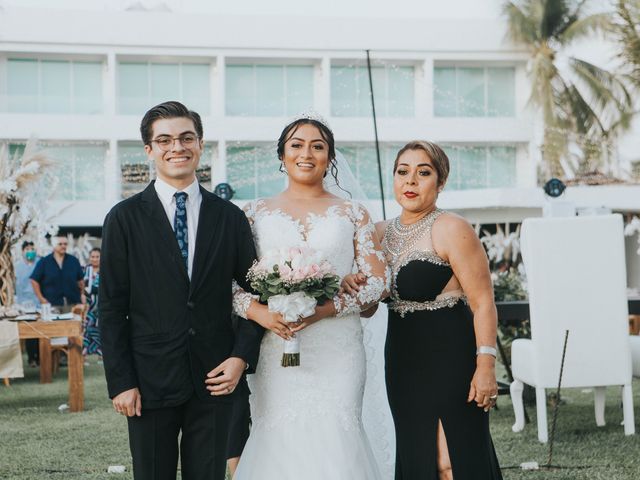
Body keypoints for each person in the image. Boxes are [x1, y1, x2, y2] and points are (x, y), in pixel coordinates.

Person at [99, 101, 263, 480]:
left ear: (200, 144)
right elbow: (110, 308)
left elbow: (257, 294)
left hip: (217, 378)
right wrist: (122, 382)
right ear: (149, 150)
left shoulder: (230, 217)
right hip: (149, 379)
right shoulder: (123, 219)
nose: (177, 147)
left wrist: (241, 357)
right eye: (165, 140)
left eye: (186, 137)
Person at [230, 114, 390, 480]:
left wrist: (326, 308)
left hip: (338, 348)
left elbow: (378, 281)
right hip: (275, 343)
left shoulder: (352, 213)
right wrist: (260, 313)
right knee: (278, 434)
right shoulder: (252, 214)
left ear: (330, 158)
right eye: (297, 145)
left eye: (318, 146)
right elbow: (229, 285)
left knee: (337, 433)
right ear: (282, 156)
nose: (307, 153)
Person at [344, 141, 502, 480]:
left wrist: (486, 365)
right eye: (403, 172)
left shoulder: (452, 228)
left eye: (423, 172)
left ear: (440, 183)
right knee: (419, 457)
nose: (411, 181)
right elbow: (369, 309)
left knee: (451, 463)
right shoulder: (377, 234)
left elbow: (483, 302)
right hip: (402, 363)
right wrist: (354, 284)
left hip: (452, 362)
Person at [30, 236, 85, 308]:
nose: (63, 246)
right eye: (60, 244)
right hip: (52, 304)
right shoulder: (44, 262)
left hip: (73, 303)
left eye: (65, 244)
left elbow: (80, 281)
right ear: (54, 245)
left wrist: (82, 295)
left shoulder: (74, 261)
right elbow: (34, 280)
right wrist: (41, 299)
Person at [14, 241, 40, 367]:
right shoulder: (17, 266)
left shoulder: (40, 263)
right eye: (27, 249)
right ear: (23, 251)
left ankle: (40, 357)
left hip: (39, 302)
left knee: (41, 330)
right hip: (23, 303)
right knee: (30, 331)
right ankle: (31, 358)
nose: (30, 251)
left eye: (32, 248)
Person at [82, 247, 102, 361]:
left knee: (101, 328)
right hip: (88, 306)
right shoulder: (85, 270)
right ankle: (84, 352)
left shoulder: (105, 270)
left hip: (101, 305)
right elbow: (80, 286)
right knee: (87, 327)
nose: (95, 259)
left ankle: (101, 352)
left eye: (97, 257)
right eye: (92, 257)